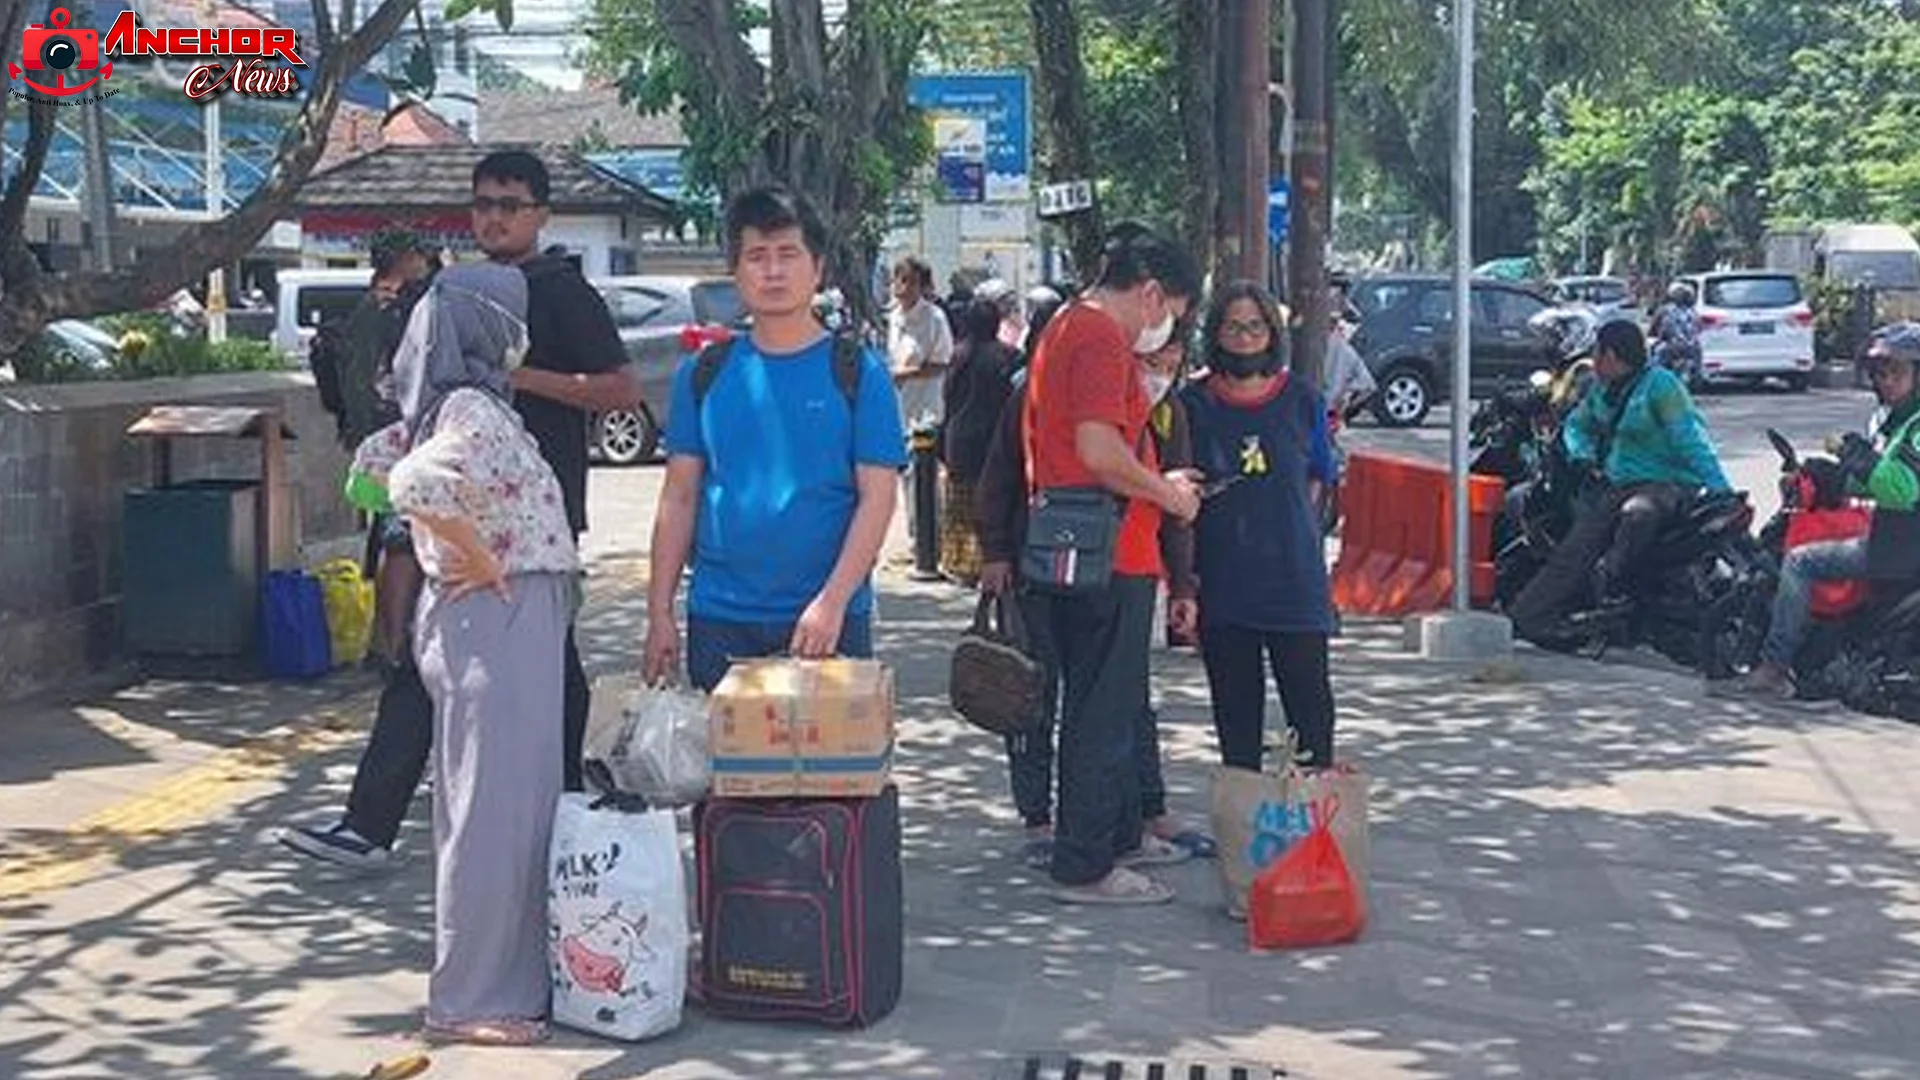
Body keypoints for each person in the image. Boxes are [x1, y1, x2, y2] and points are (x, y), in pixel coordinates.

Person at [278, 151, 640, 869]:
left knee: (508, 663)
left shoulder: (560, 292)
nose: (495, 216)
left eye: (510, 203)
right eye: (483, 204)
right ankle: (387, 821)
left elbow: (621, 390)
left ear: (540, 213)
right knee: (431, 655)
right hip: (457, 509)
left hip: (535, 517)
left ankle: (557, 814)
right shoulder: (460, 289)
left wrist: (513, 376)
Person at [352, 261, 576, 1046]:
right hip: (495, 626)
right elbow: (407, 484)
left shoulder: (437, 404)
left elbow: (368, 481)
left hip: (484, 625)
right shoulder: (474, 408)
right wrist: (472, 553)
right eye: (510, 321)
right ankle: (471, 1000)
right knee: (493, 818)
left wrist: (453, 547)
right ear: (485, 326)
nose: (520, 337)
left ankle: (491, 984)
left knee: (490, 809)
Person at [642, 187, 906, 691]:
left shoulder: (858, 373)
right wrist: (659, 612)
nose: (773, 271)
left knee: (830, 770)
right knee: (728, 769)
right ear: (736, 271)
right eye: (756, 257)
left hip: (828, 618)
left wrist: (832, 602)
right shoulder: (703, 374)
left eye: (788, 254)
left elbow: (878, 498)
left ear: (818, 267)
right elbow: (678, 498)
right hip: (720, 616)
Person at [973, 318, 1207, 870]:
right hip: (1045, 565)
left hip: (1129, 571)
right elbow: (1001, 474)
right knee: (1040, 695)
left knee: (1120, 705)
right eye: (1150, 364)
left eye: (1170, 368)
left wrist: (1183, 581)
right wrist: (996, 553)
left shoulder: (1167, 414)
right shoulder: (1048, 392)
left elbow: (1176, 506)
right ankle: (1044, 822)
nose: (1157, 378)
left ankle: (1137, 818)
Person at [1020, 224, 1203, 906]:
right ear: (1152, 293)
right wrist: (1170, 495)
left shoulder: (1063, 327)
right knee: (1101, 710)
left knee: (1112, 705)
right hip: (1110, 552)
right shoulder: (1099, 336)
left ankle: (1118, 835)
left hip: (1084, 545)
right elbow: (1098, 450)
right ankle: (1086, 862)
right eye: (1172, 316)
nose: (1163, 332)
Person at [1181, 281, 1339, 780]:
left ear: (1272, 333)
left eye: (1255, 327)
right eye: (1233, 327)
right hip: (1224, 586)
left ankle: (1316, 836)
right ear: (1216, 334)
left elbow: (1320, 477)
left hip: (1294, 582)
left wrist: (1300, 534)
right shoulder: (1192, 406)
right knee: (1236, 721)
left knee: (1311, 716)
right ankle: (1246, 833)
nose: (1245, 338)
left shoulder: (1303, 400)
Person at [1717, 324, 1920, 700]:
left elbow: (1903, 490)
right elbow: (1878, 482)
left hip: (1902, 547)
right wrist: (1833, 478)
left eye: (1897, 372)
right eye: (1880, 373)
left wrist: (1858, 457)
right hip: (1897, 538)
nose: (1887, 381)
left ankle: (1774, 668)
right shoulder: (1899, 422)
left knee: (1800, 561)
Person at [1507, 319, 1731, 643]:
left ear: (1611, 355)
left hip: (1668, 485)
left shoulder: (1661, 386)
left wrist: (1720, 487)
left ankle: (1614, 582)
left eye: (1597, 353)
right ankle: (1527, 617)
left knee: (1638, 513)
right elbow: (1577, 425)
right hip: (1618, 485)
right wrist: (1581, 455)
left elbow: (1690, 439)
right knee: (1574, 550)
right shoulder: (1602, 391)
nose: (1593, 361)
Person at [939, 296, 1018, 586]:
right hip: (992, 441)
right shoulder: (1008, 356)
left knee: (960, 506)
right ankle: (987, 560)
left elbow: (947, 398)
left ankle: (960, 563)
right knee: (990, 502)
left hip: (958, 439)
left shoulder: (958, 354)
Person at [888, 256, 954, 434]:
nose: (904, 286)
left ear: (921, 287)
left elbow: (942, 364)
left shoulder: (934, 318)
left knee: (922, 460)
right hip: (896, 411)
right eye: (900, 279)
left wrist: (906, 374)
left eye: (912, 282)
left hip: (924, 413)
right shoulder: (892, 317)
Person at [1650, 281, 1702, 382]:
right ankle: (1697, 375)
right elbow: (1699, 328)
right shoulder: (1693, 312)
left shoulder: (1665, 310)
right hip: (1692, 348)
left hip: (1672, 347)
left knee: (1655, 363)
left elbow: (1655, 329)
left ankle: (1655, 380)